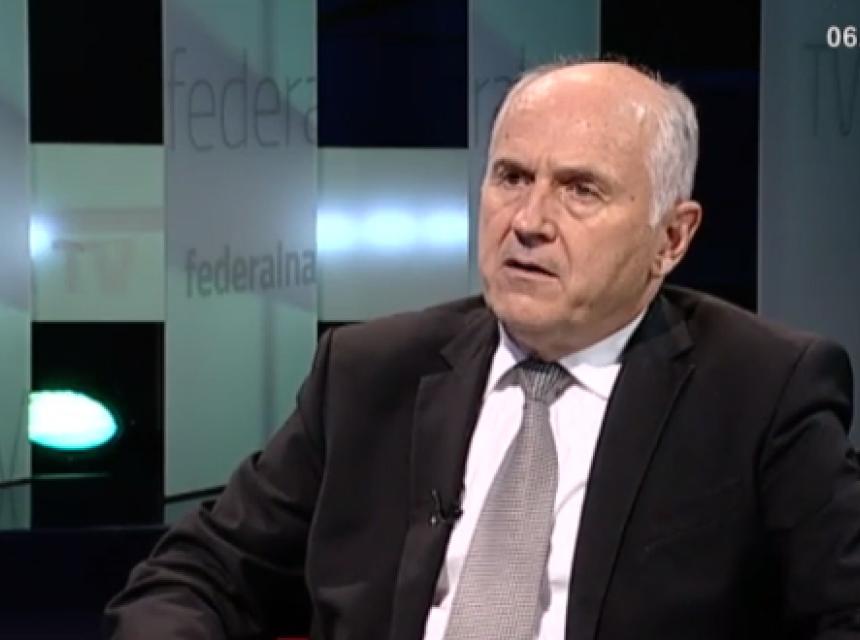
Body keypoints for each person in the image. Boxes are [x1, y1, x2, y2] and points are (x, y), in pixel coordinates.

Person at [105, 59, 860, 639]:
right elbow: (197, 575)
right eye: (511, 177)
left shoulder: (762, 391)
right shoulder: (370, 372)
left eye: (580, 190)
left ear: (671, 237)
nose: (528, 221)